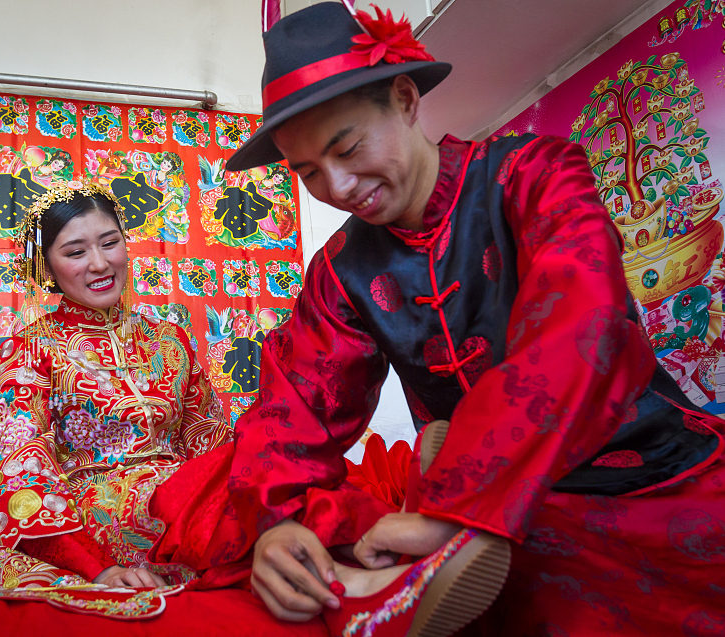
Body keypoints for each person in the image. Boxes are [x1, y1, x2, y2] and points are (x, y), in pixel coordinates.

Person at [150, 3, 725, 636]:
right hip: (470, 522)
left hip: (650, 478)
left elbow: (578, 327)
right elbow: (295, 409)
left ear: (404, 97)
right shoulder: (341, 269)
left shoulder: (535, 174)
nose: (338, 186)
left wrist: (454, 506)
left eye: (347, 148)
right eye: (309, 172)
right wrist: (278, 527)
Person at [0, 181, 232, 589]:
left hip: (188, 498)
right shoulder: (31, 349)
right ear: (46, 267)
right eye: (76, 252)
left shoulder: (170, 339)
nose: (99, 263)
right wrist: (94, 567)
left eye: (109, 243)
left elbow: (211, 440)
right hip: (99, 518)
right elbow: (22, 465)